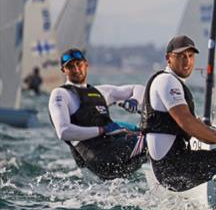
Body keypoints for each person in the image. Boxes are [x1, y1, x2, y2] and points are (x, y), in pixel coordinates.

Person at [141, 35, 216, 192]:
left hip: (171, 168)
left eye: (190, 56)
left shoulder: (171, 81)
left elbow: (194, 125)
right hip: (173, 169)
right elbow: (186, 122)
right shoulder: (167, 81)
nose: (187, 61)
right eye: (181, 56)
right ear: (168, 58)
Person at [48, 48, 147, 180]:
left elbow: (138, 88)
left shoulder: (101, 92)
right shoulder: (61, 94)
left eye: (79, 64)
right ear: (63, 70)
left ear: (86, 64)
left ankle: (167, 181)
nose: (76, 69)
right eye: (70, 66)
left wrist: (134, 100)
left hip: (115, 151)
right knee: (154, 138)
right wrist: (102, 130)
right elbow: (63, 131)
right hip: (100, 159)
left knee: (153, 135)